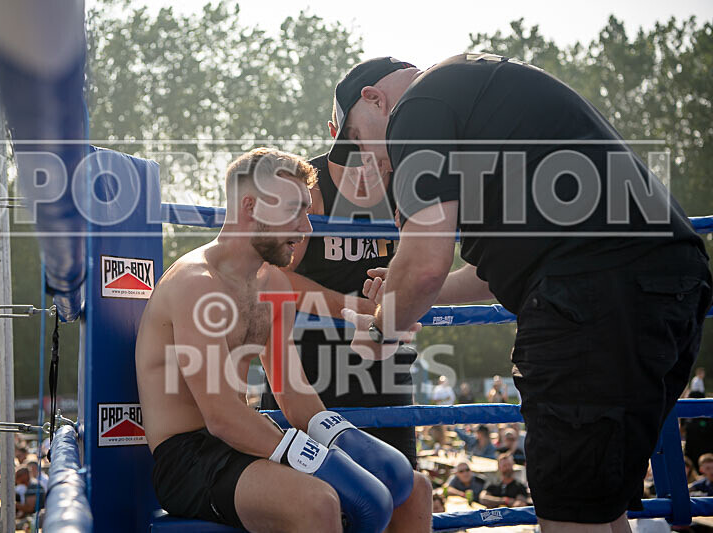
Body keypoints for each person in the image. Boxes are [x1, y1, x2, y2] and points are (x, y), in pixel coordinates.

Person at [333, 55, 713, 532]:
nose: (369, 159)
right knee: (598, 505)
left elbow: (426, 262)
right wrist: (406, 286)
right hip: (665, 284)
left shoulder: (415, 107)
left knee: (570, 513)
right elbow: (492, 271)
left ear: (374, 99)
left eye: (356, 140)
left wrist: (380, 332)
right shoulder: (481, 106)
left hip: (592, 294)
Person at [135, 148, 430, 532]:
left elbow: (293, 394)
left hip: (240, 440)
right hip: (190, 456)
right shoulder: (196, 286)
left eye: (307, 211)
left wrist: (341, 436)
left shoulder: (271, 284)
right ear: (249, 206)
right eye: (295, 210)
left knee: (413, 487)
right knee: (317, 503)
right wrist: (312, 458)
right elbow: (221, 415)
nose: (306, 228)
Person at [259, 123, 421, 471]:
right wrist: (356, 308)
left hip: (385, 363)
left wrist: (402, 300)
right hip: (306, 365)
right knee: (311, 500)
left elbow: (429, 269)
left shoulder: (412, 184)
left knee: (404, 487)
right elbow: (270, 274)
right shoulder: (312, 190)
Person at [682, 391, 713, 470]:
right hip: (690, 455)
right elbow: (682, 430)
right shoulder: (685, 415)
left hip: (707, 457)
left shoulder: (709, 416)